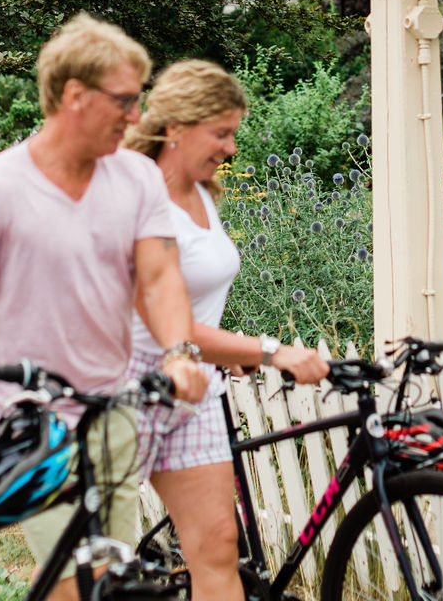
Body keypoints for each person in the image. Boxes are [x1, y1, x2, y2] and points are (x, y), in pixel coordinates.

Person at [0, 13, 207, 601]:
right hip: (33, 422)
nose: (136, 116)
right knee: (78, 584)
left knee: (112, 582)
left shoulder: (138, 179)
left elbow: (160, 275)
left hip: (112, 411)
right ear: (74, 96)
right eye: (123, 100)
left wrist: (178, 352)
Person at [125, 60, 329, 601]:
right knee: (86, 562)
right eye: (220, 133)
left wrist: (225, 350)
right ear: (175, 127)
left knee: (216, 544)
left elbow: (194, 311)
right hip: (122, 389)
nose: (230, 148)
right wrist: (269, 351)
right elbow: (164, 320)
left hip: (192, 389)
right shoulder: (137, 201)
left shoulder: (200, 193)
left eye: (232, 133)